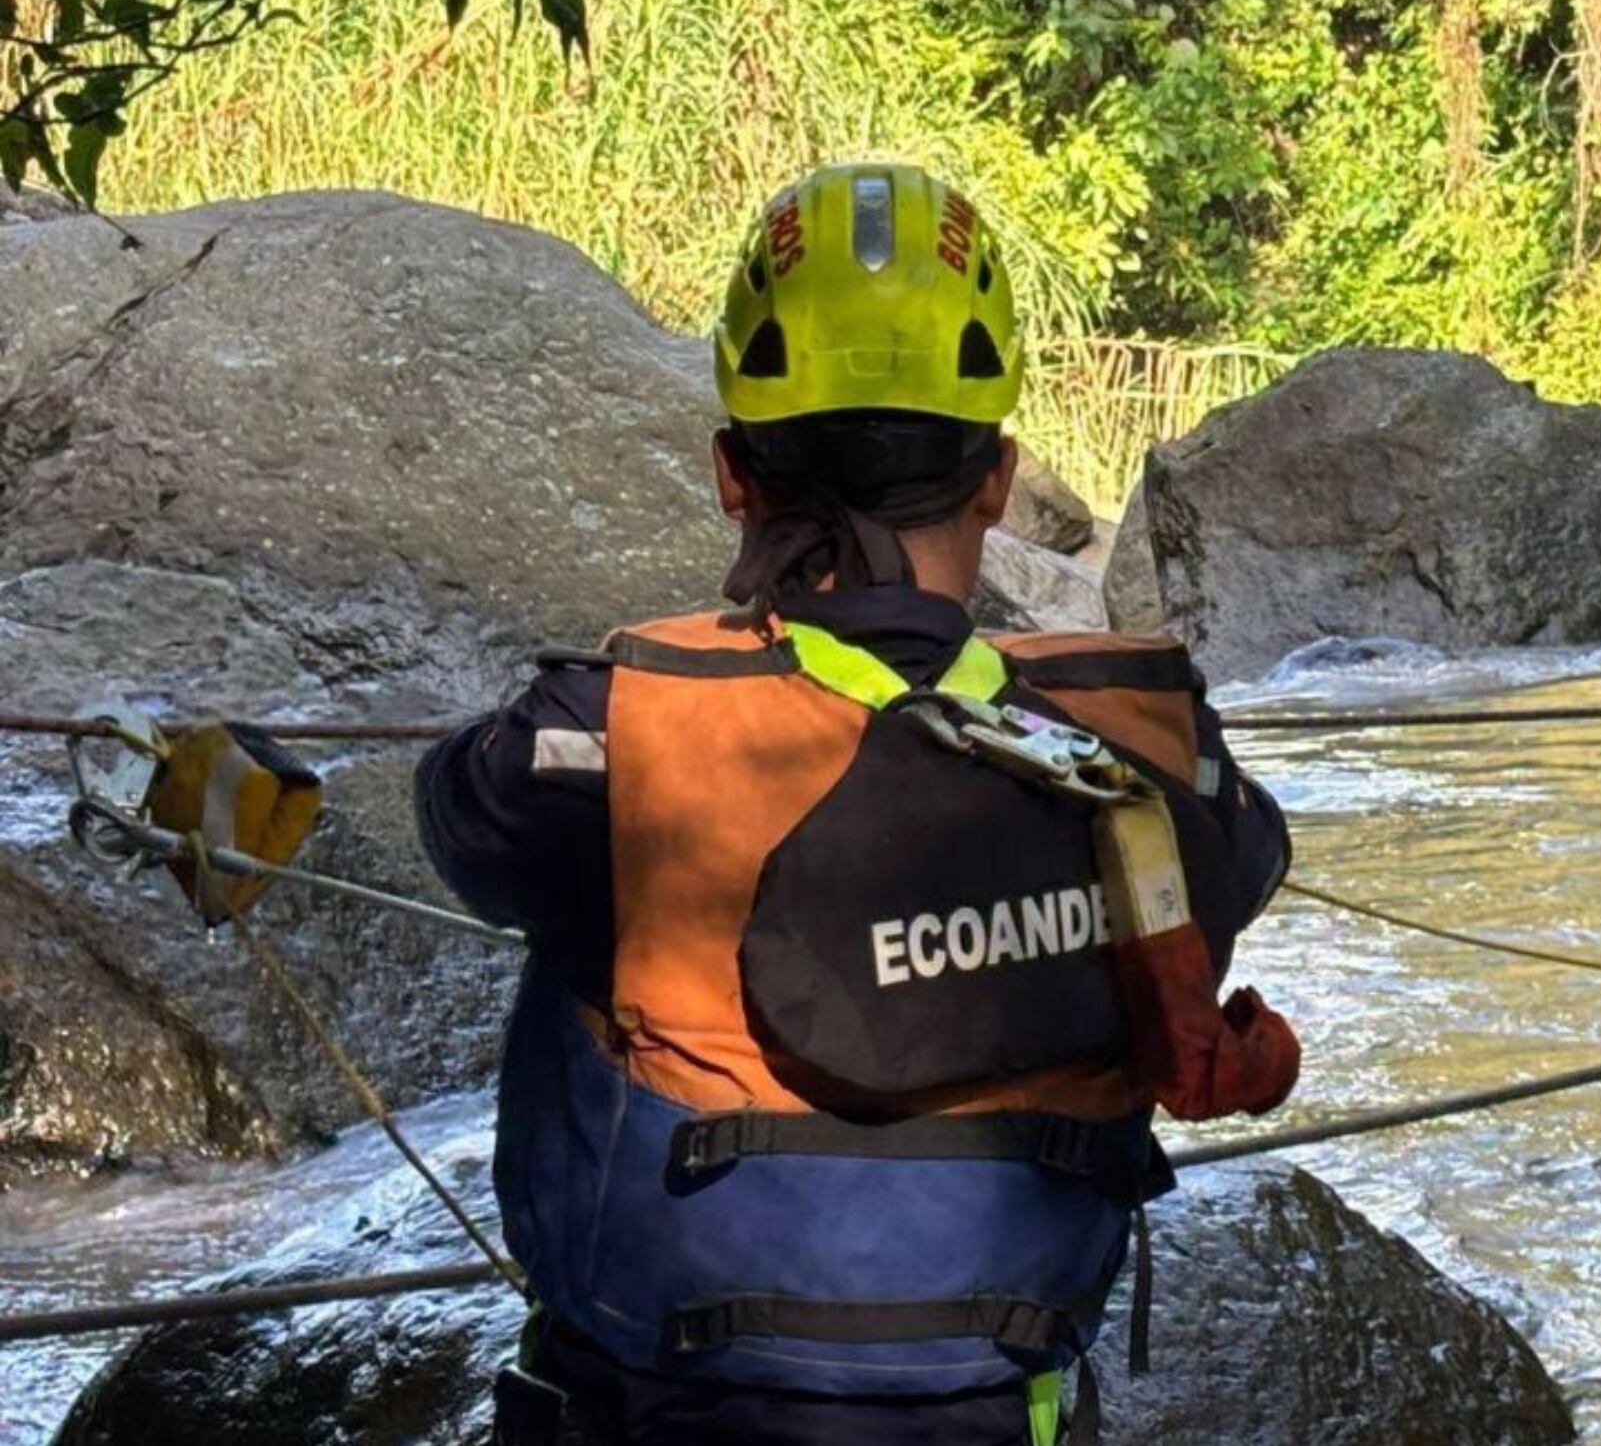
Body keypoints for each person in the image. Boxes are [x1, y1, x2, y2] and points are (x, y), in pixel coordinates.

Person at [415, 163, 1295, 1446]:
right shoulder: (1158, 751)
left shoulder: (607, 736)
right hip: (1002, 1421)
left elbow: (459, 820)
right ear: (995, 480)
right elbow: (1251, 856)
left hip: (652, 1418)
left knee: (585, 931)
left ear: (733, 473)